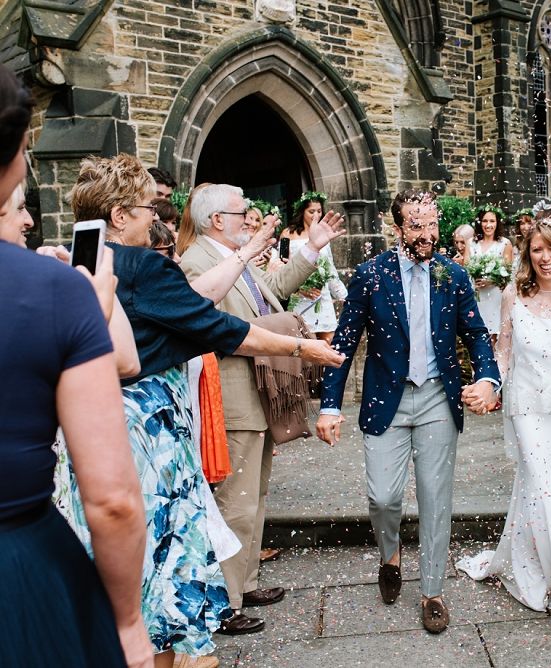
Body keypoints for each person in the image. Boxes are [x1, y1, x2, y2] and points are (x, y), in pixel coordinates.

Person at [68, 155, 344, 665]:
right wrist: (303, 349)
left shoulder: (82, 259)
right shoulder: (144, 265)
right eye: (148, 207)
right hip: (148, 422)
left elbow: (191, 300)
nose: (157, 216)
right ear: (119, 215)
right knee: (165, 538)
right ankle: (160, 642)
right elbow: (216, 326)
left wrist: (248, 255)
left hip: (94, 416)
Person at [0, 63, 153, 668]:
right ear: (13, 159)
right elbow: (112, 499)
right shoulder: (54, 292)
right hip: (18, 574)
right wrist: (129, 621)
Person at [316, 190, 500, 634]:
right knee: (383, 497)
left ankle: (432, 591)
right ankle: (390, 554)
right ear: (397, 228)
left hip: (438, 396)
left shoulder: (452, 275)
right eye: (416, 226)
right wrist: (328, 405)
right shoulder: (371, 275)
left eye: (432, 224)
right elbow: (343, 344)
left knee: (436, 499)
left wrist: (488, 379)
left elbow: (476, 333)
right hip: (387, 399)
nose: (427, 234)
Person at [180, 183, 345, 633]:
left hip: (258, 396)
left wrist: (310, 248)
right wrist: (282, 335)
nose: (249, 218)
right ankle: (227, 603)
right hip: (231, 398)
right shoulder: (197, 261)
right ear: (217, 220)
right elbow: (210, 325)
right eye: (241, 212)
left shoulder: (234, 258)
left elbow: (272, 288)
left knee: (254, 499)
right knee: (234, 503)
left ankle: (247, 582)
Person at [457, 219, 551, 627]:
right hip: (528, 409)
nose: (545, 257)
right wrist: (488, 385)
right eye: (537, 249)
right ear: (527, 253)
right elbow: (502, 354)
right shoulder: (512, 295)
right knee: (543, 489)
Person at [279, 190, 348, 343]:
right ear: (302, 211)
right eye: (311, 211)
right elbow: (280, 266)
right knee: (305, 349)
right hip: (299, 297)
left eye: (319, 211)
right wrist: (299, 289)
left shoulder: (323, 235)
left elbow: (329, 268)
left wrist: (344, 296)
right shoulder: (286, 234)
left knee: (329, 345)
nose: (316, 215)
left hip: (321, 296)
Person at [471, 205, 513, 339]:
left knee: (495, 336)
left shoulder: (504, 243)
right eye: (485, 221)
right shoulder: (471, 243)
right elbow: (466, 269)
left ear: (497, 223)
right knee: (477, 335)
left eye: (492, 221)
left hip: (495, 297)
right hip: (476, 295)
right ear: (479, 222)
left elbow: (508, 274)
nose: (488, 225)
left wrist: (492, 280)